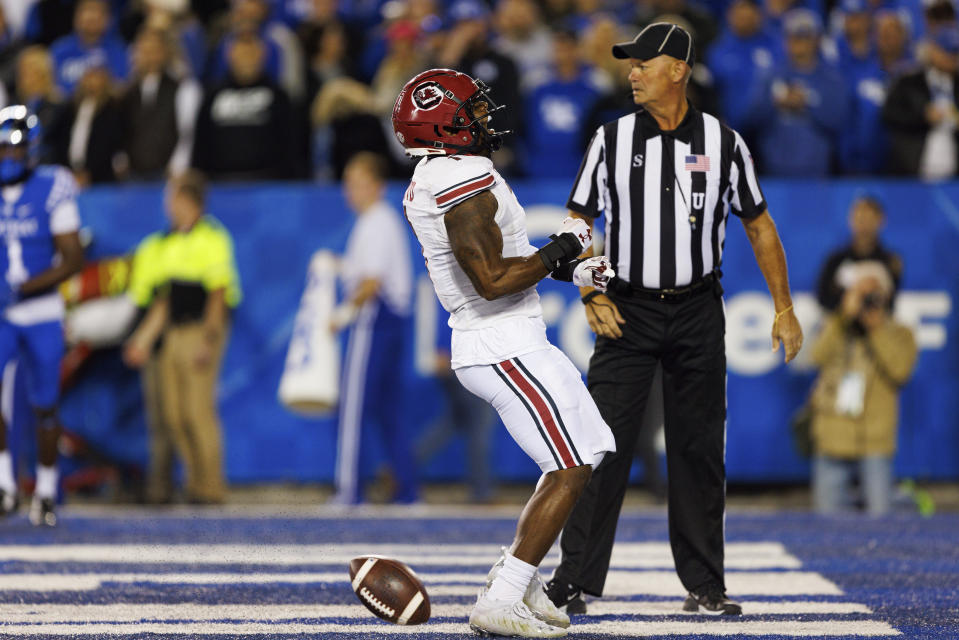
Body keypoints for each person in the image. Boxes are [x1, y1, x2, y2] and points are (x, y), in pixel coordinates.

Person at [544, 23, 803, 616]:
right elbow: (579, 222)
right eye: (630, 64)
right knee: (598, 446)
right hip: (627, 309)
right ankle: (573, 580)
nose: (631, 72)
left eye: (643, 62)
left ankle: (705, 584)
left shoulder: (724, 141)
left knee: (699, 449)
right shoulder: (610, 139)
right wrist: (590, 291)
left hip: (696, 310)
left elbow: (758, 225)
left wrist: (784, 307)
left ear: (679, 70)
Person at [393, 68, 617, 637]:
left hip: (511, 336)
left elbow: (507, 259)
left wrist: (571, 267)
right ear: (446, 125)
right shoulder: (458, 178)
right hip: (499, 341)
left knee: (587, 449)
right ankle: (504, 594)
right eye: (471, 112)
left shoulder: (449, 173)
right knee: (570, 463)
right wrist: (564, 244)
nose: (484, 119)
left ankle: (519, 574)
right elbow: (492, 279)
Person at [122, 170, 241, 505]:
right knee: (173, 415)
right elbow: (163, 301)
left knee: (197, 411)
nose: (167, 205)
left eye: (172, 197)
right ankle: (195, 483)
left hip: (199, 328)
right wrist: (143, 340)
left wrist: (209, 338)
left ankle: (211, 487)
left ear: (189, 201)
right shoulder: (167, 242)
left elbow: (218, 294)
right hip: (173, 331)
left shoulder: (212, 238)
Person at [0, 105, 84, 526]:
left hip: (41, 310)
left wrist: (20, 288)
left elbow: (72, 258)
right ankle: (4, 484)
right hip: (1, 313)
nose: (5, 159)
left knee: (45, 406)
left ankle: (47, 490)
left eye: (11, 151)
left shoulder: (53, 185)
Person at [327, 151, 418, 506]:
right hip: (392, 322)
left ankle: (350, 490)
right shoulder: (379, 221)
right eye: (349, 183)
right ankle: (408, 491)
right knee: (388, 410)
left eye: (359, 183)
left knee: (353, 408)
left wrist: (341, 316)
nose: (351, 191)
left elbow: (370, 283)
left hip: (374, 323)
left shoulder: (376, 222)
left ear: (377, 187)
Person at [809, 263, 917, 515]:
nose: (867, 299)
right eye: (861, 291)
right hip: (832, 435)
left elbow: (900, 371)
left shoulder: (901, 333)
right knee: (827, 527)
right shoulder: (835, 327)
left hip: (875, 440)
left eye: (873, 292)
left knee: (880, 522)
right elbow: (815, 356)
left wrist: (877, 329)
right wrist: (842, 317)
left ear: (886, 295)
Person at [118, 26, 202, 181]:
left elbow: (187, 131)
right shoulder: (128, 93)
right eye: (144, 51)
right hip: (134, 175)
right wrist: (121, 159)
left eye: (155, 50)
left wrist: (178, 164)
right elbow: (123, 130)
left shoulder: (183, 89)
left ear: (165, 52)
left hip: (168, 174)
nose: (149, 56)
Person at [882, 26, 959, 179]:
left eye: (955, 53)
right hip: (912, 175)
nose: (952, 58)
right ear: (932, 51)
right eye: (947, 52)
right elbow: (888, 114)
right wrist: (923, 116)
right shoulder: (909, 82)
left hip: (954, 180)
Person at [816, 194, 902, 312]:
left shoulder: (890, 261)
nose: (864, 225)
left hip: (878, 323)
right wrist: (848, 301)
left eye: (869, 219)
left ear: (880, 220)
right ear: (851, 220)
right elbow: (823, 298)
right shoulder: (835, 260)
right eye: (860, 219)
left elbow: (891, 300)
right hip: (842, 322)